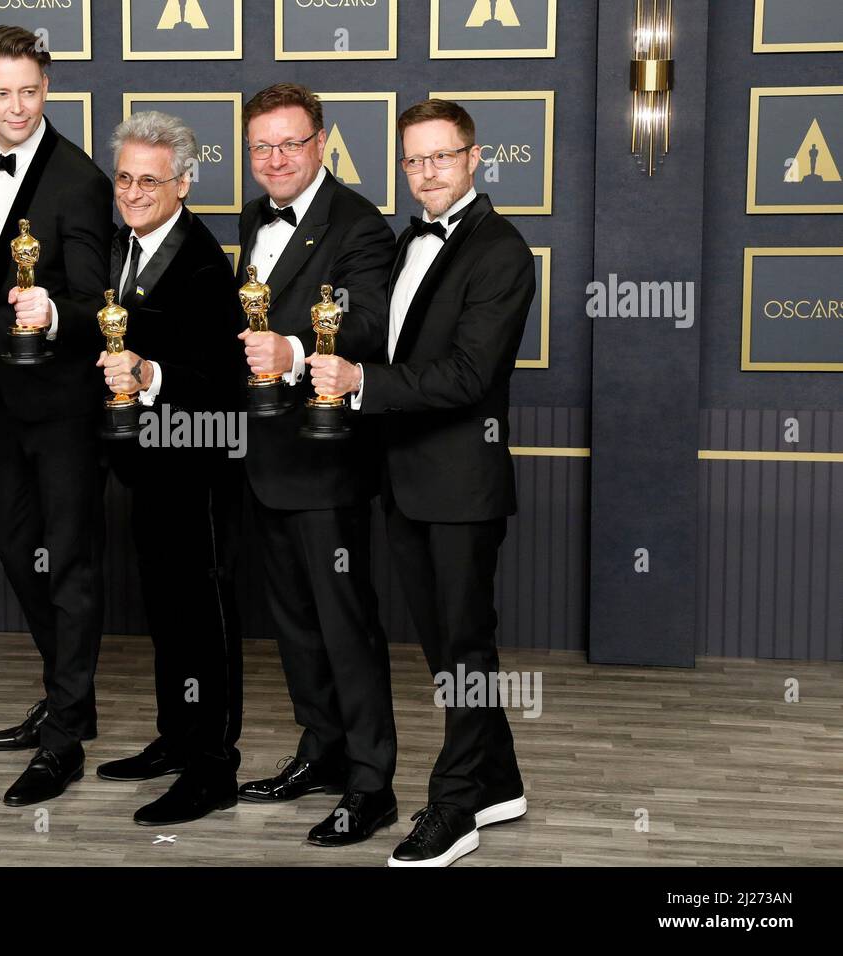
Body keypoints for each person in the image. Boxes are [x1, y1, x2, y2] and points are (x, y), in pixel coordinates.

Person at [307, 99, 533, 867]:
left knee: (464, 649)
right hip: (404, 481)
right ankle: (498, 780)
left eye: (442, 157)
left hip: (463, 486)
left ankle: (455, 806)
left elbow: (469, 374)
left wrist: (360, 381)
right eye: (414, 160)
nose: (427, 172)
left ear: (474, 158)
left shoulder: (501, 250)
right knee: (446, 648)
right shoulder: (408, 242)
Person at [234, 83, 399, 847]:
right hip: (266, 456)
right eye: (261, 145)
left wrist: (296, 351)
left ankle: (372, 784)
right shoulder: (251, 216)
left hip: (328, 461)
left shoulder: (361, 224)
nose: (275, 159)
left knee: (345, 628)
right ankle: (321, 750)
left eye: (290, 143)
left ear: (322, 142)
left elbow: (366, 323)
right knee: (295, 626)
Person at [0, 25, 113, 806]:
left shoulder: (80, 180)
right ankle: (65, 695)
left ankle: (65, 738)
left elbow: (97, 304)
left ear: (46, 88)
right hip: (7, 397)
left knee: (71, 564)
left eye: (30, 90)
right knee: (17, 549)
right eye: (2, 91)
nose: (17, 106)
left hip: (67, 401)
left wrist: (54, 309)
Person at [92, 111, 244, 825]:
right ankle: (177, 736)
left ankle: (212, 764)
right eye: (124, 176)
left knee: (200, 620)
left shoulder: (204, 263)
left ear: (182, 184)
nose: (131, 190)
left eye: (148, 179)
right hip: (150, 467)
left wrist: (149, 371)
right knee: (166, 611)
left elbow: (220, 382)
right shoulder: (127, 244)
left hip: (197, 468)